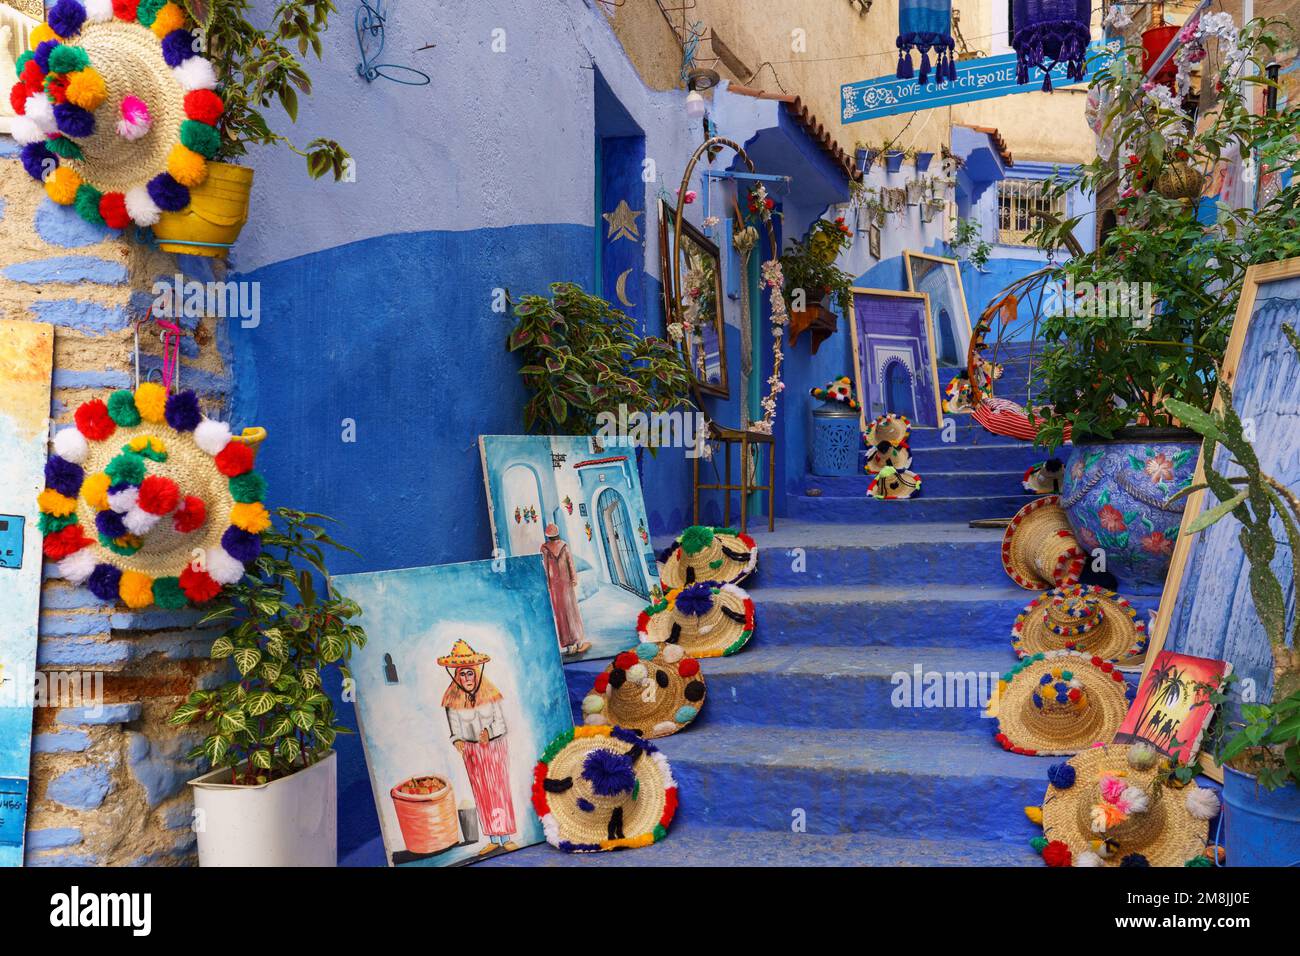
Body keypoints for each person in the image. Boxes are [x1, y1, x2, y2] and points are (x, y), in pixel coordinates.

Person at [437, 640, 517, 854]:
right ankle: (492, 837)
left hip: (494, 748)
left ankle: (506, 836)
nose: (466, 678)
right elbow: (454, 730)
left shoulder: (489, 693)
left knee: (500, 790)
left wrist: (488, 733)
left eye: (469, 673)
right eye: (462, 674)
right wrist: (458, 741)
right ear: (456, 675)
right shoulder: (451, 699)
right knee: (482, 793)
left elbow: (501, 723)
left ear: (476, 673)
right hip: (472, 753)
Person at [540, 523, 591, 654]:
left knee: (561, 614)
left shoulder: (544, 548)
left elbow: (545, 567)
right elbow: (570, 563)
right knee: (572, 612)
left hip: (554, 586)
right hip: (566, 583)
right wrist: (574, 579)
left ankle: (569, 647)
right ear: (557, 533)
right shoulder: (564, 545)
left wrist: (547, 583)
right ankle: (578, 642)